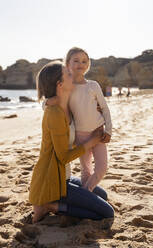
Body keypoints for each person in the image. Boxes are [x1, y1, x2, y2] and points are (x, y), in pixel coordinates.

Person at [29, 61, 114, 223]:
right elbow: (63, 157)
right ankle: (52, 206)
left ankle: (59, 203)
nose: (72, 75)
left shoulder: (66, 105)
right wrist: (93, 141)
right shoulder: (54, 113)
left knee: (102, 194)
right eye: (68, 74)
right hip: (52, 180)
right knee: (107, 212)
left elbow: (84, 107)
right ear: (60, 85)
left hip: (64, 175)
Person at [45, 47, 112, 193]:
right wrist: (46, 103)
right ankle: (88, 194)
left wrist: (109, 130)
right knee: (85, 170)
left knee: (101, 168)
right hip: (80, 136)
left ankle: (86, 193)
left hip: (99, 132)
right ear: (67, 63)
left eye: (84, 61)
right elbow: (53, 102)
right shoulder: (67, 88)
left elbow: (105, 109)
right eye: (76, 60)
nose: (80, 64)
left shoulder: (93, 85)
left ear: (88, 65)